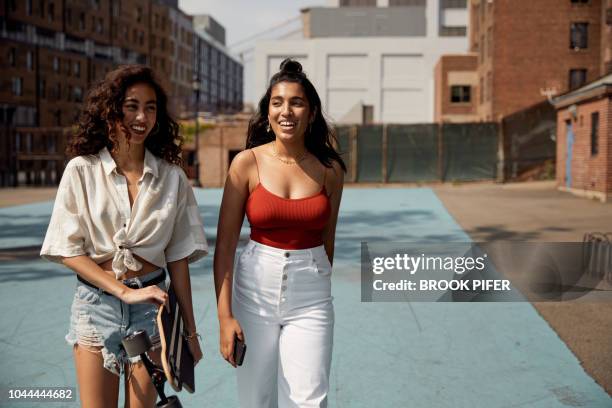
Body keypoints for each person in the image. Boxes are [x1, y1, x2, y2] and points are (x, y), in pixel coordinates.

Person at [40, 65, 207, 408]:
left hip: (152, 312)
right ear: (111, 109)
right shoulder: (81, 170)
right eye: (131, 105)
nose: (141, 116)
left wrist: (189, 332)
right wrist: (122, 292)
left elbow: (177, 259)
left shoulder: (172, 178)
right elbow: (67, 249)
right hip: (95, 306)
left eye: (150, 107)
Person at [214, 58, 346, 407]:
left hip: (311, 294)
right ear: (268, 113)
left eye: (297, 102)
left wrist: (315, 276)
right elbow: (225, 246)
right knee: (256, 398)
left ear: (312, 113)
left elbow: (327, 240)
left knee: (309, 401)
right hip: (253, 291)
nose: (286, 111)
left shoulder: (330, 171)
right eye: (278, 103)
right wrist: (225, 316)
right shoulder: (246, 163)